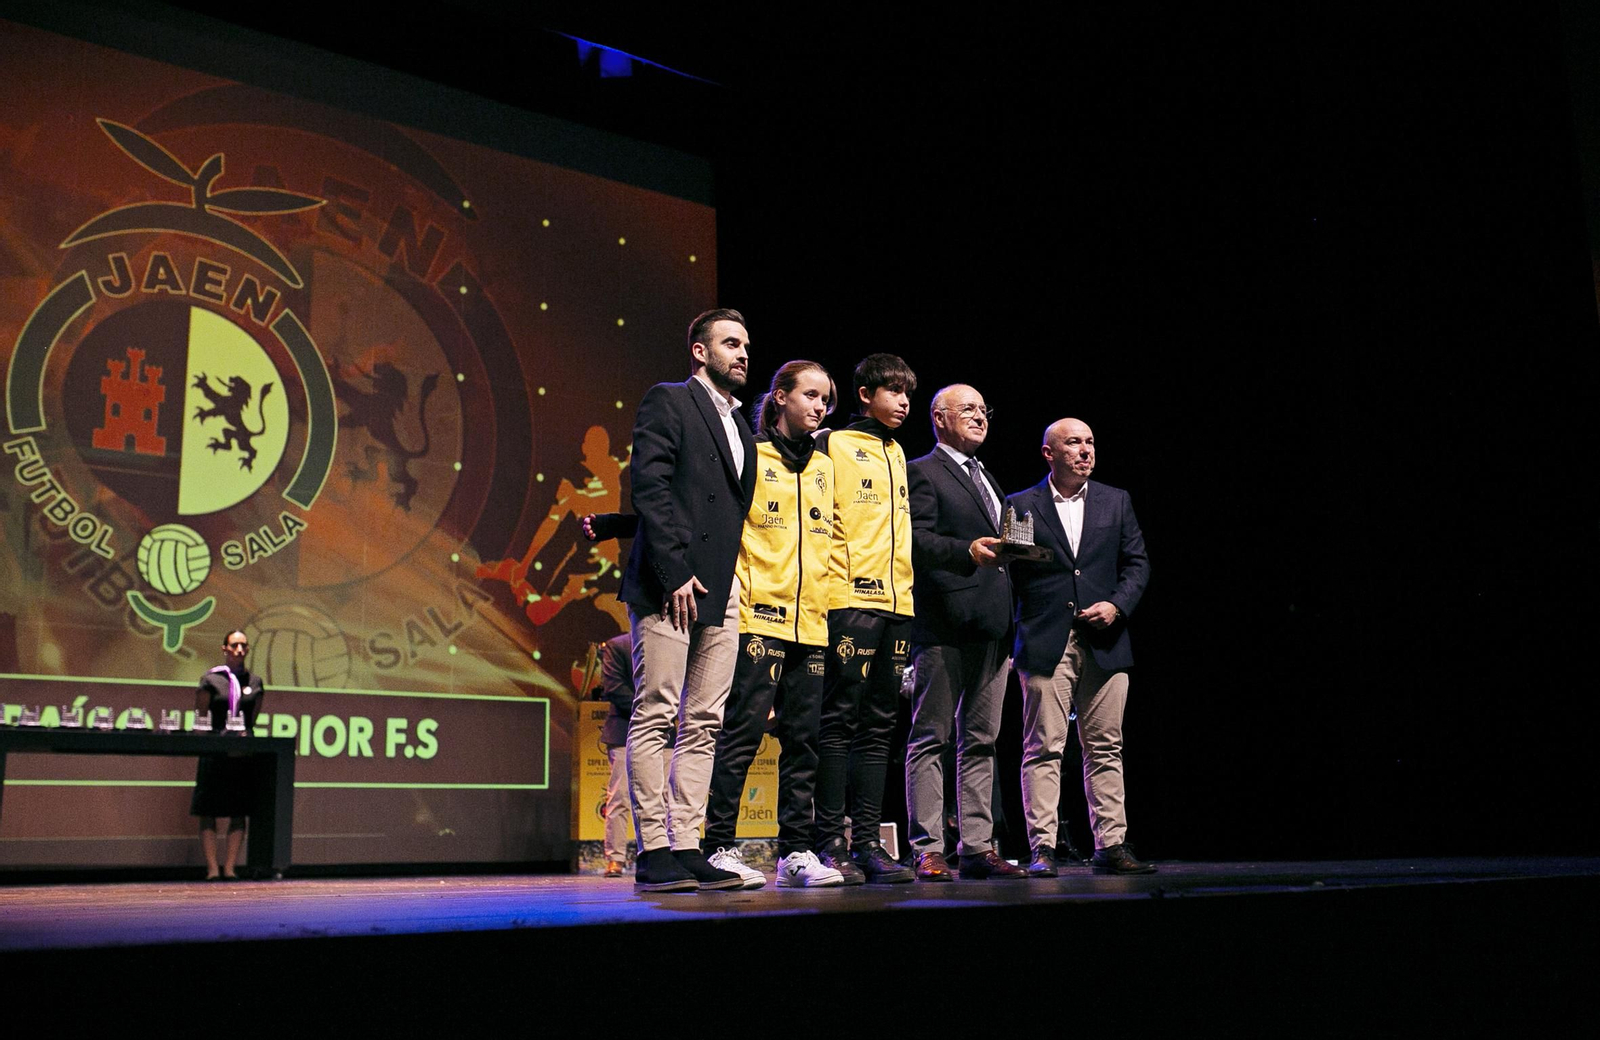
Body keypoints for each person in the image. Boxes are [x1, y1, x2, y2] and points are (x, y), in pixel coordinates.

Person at [619, 308, 756, 892]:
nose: (743, 353)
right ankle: (653, 849)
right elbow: (650, 487)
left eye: (746, 345)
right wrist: (673, 569)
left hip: (721, 588)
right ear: (700, 351)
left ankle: (686, 843)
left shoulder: (741, 425)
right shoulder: (670, 400)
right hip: (669, 582)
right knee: (656, 710)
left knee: (703, 721)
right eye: (731, 343)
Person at [700, 361, 847, 889]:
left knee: (803, 740)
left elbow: (832, 541)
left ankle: (795, 853)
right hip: (757, 617)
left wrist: (829, 606)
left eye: (825, 399)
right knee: (741, 735)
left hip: (812, 625)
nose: (819, 406)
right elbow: (726, 528)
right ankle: (718, 846)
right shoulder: (751, 454)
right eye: (810, 395)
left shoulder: (825, 466)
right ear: (781, 397)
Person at [1005, 418, 1154, 877]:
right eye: (1073, 442)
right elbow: (1009, 574)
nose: (1085, 450)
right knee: (1043, 747)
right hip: (1044, 640)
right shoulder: (1020, 504)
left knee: (1106, 747)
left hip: (1105, 641)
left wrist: (1117, 605)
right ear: (1049, 453)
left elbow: (1137, 564)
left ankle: (1111, 844)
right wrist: (1012, 639)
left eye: (1090, 442)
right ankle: (1042, 848)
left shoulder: (1115, 500)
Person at [904, 385, 1025, 880]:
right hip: (945, 624)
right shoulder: (922, 471)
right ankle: (928, 847)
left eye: (983, 409)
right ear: (939, 418)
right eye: (968, 409)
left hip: (993, 625)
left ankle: (976, 845)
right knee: (930, 737)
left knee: (981, 741)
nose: (980, 417)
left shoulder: (987, 476)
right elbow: (913, 539)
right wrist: (966, 552)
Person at [812, 353, 918, 884]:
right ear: (864, 394)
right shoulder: (831, 443)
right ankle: (830, 841)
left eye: (907, 393)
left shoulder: (897, 452)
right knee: (838, 721)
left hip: (898, 605)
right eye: (893, 391)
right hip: (849, 601)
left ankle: (870, 843)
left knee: (880, 726)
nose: (903, 401)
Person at [191, 629, 264, 880]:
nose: (239, 650)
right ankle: (212, 868)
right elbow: (200, 716)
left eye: (244, 645)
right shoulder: (211, 679)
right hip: (214, 751)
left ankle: (230, 868)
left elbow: (252, 719)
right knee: (208, 810)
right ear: (224, 649)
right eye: (234, 645)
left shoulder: (255, 682)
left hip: (241, 754)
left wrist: (243, 736)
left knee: (239, 811)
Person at [594, 632, 635, 878]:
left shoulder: (672, 642)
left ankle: (663, 855)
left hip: (664, 732)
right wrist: (648, 710)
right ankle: (616, 858)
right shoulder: (618, 645)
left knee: (665, 798)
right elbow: (614, 687)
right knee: (620, 797)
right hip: (624, 729)